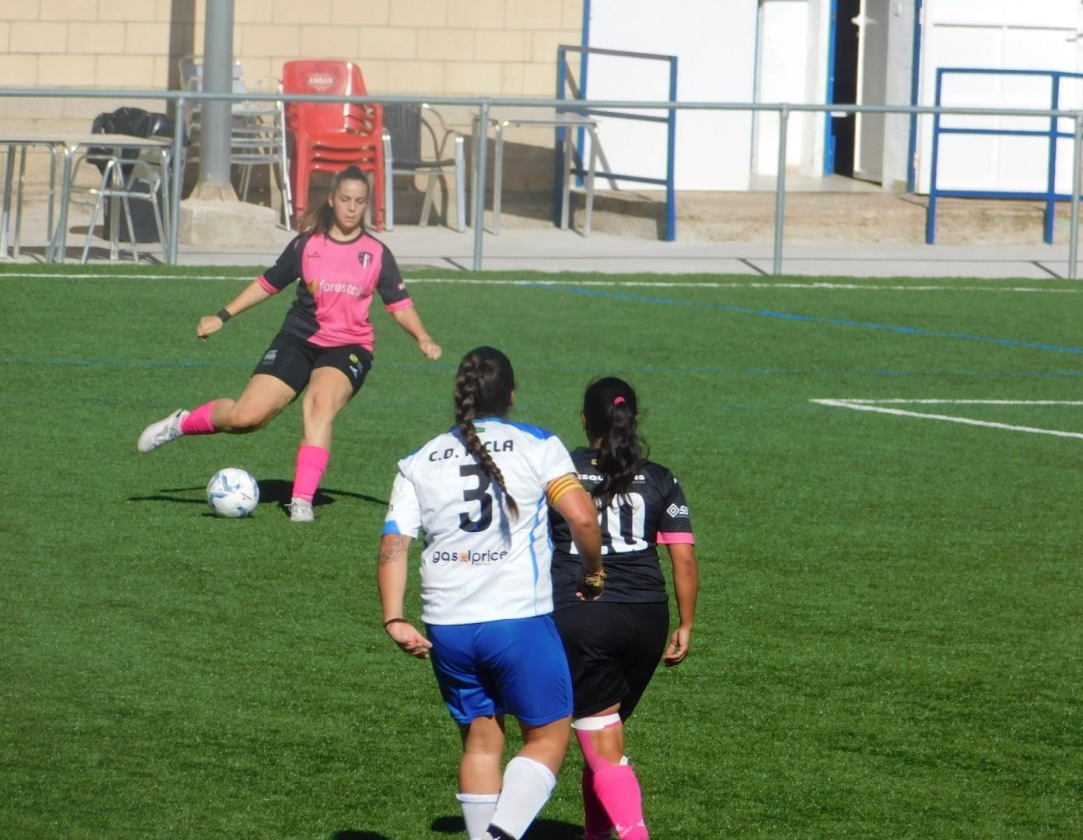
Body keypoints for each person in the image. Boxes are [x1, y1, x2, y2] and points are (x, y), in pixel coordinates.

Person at [377, 346, 605, 840]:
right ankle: (503, 834)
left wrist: (395, 617)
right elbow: (583, 518)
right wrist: (594, 572)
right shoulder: (538, 444)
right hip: (517, 620)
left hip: (447, 626)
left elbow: (394, 543)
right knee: (548, 738)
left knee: (481, 745)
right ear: (512, 395)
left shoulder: (419, 460)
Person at [136, 165, 441, 522]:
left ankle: (301, 500)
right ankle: (181, 423)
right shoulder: (306, 245)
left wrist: (422, 337)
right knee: (245, 418)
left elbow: (399, 305)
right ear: (332, 199)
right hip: (299, 338)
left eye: (359, 201)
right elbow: (268, 283)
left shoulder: (376, 253)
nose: (352, 207)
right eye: (345, 199)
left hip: (349, 347)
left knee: (318, 403)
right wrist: (222, 315)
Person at [549, 377, 699, 840]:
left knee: (602, 741)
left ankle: (634, 834)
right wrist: (686, 624)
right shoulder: (661, 478)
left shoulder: (561, 469)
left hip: (585, 611)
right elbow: (684, 558)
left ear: (583, 420)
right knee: (603, 731)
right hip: (648, 619)